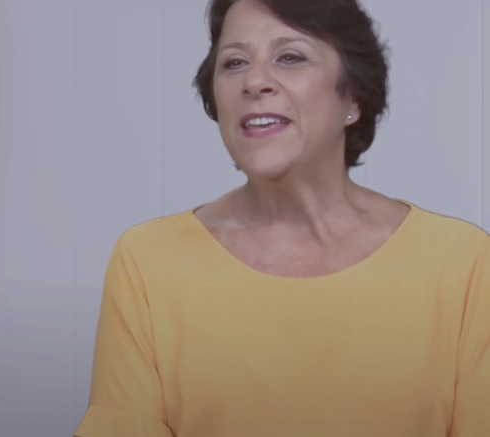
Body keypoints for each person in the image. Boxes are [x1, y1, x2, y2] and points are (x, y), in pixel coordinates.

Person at [74, 0, 490, 435]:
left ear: (353, 96)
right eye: (234, 63)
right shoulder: (149, 263)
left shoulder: (461, 263)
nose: (254, 81)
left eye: (290, 57)